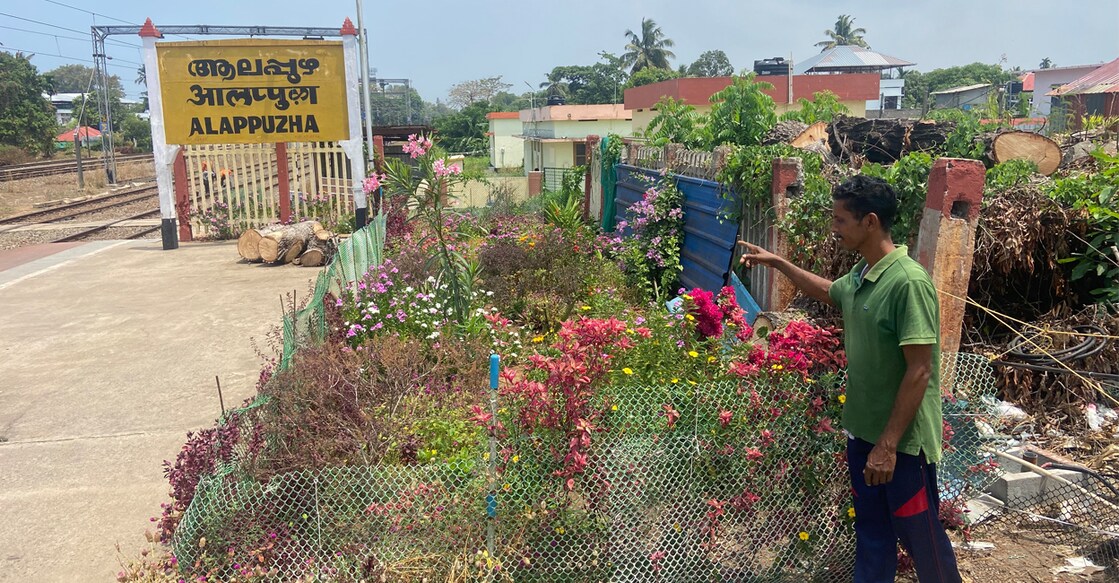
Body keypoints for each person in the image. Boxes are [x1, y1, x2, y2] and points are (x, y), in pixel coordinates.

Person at [738, 175, 961, 583]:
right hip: (862, 435)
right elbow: (830, 292)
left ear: (870, 222)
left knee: (921, 539)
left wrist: (888, 446)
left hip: (902, 448)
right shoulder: (863, 275)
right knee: (872, 536)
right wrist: (778, 263)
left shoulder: (907, 283)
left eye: (841, 220)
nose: (834, 228)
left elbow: (921, 369)